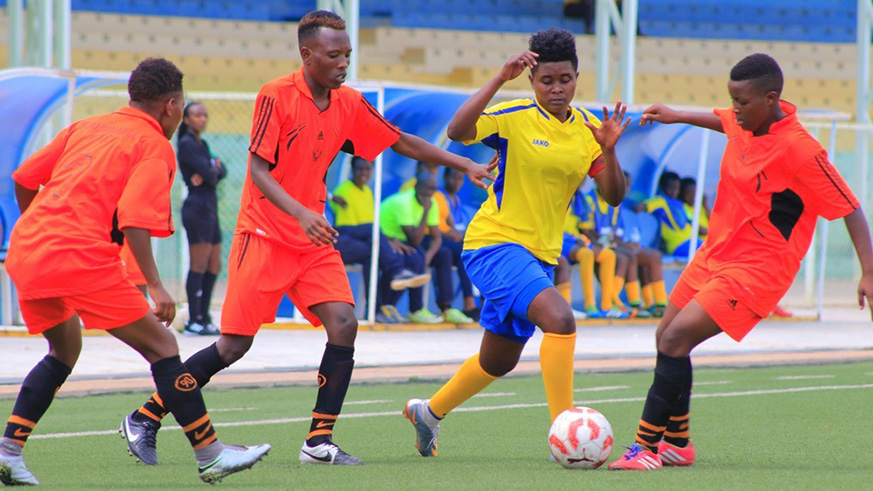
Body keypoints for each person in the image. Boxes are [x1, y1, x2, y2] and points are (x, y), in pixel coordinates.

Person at [119, 10, 495, 468]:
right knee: (233, 347)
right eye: (334, 55)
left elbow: (400, 142)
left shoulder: (349, 103)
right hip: (263, 235)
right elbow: (258, 172)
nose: (343, 63)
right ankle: (147, 414)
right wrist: (301, 213)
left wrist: (466, 164)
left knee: (345, 324)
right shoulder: (275, 95)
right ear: (307, 54)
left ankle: (319, 442)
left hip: (312, 241)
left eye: (348, 55)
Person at [0, 58, 270, 486]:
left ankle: (9, 451)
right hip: (78, 256)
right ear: (170, 105)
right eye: (182, 106)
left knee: (64, 349)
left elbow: (25, 177)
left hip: (28, 248)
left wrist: (39, 226)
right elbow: (134, 219)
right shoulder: (153, 145)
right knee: (163, 345)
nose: (181, 114)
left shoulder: (86, 126)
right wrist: (158, 286)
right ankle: (210, 454)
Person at [608, 53, 873, 470]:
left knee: (676, 341)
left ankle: (644, 448)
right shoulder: (746, 117)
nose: (734, 109)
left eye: (742, 102)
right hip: (715, 253)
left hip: (758, 270)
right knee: (665, 336)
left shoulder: (802, 151)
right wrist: (676, 116)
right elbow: (724, 121)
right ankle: (678, 444)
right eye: (731, 99)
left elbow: (850, 208)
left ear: (770, 99)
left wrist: (869, 272)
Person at [403, 27, 629, 458]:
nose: (556, 88)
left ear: (577, 76)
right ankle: (567, 437)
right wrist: (497, 80)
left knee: (499, 361)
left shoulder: (589, 130)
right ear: (531, 80)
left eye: (565, 79)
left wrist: (611, 151)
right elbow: (456, 130)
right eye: (546, 81)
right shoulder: (515, 117)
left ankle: (428, 413)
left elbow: (614, 195)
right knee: (561, 320)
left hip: (539, 256)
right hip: (494, 244)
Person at [329, 156, 431, 323]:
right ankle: (397, 271)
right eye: (360, 169)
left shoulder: (368, 192)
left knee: (375, 255)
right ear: (352, 170)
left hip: (364, 238)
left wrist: (388, 240)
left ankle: (376, 309)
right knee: (375, 238)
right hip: (344, 235)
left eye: (367, 169)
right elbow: (365, 226)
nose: (364, 173)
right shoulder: (343, 190)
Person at [380, 173, 471, 324]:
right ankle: (408, 309)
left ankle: (446, 307)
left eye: (432, 190)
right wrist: (426, 212)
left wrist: (428, 257)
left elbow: (436, 238)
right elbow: (414, 240)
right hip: (385, 238)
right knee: (416, 258)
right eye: (426, 189)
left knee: (444, 254)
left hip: (405, 239)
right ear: (416, 188)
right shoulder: (405, 203)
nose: (429, 194)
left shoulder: (431, 201)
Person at [178, 101, 226, 336]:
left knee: (214, 264)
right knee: (199, 264)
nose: (202, 119)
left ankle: (205, 316)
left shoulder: (202, 144)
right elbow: (212, 174)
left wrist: (212, 170)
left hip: (210, 207)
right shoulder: (187, 144)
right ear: (186, 119)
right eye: (197, 115)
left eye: (205, 115)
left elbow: (220, 171)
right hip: (197, 208)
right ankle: (193, 320)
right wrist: (211, 170)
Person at [433, 167, 479, 320]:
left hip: (451, 240)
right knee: (461, 251)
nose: (457, 182)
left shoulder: (456, 200)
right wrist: (452, 234)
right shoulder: (438, 195)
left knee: (471, 252)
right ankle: (467, 302)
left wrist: (458, 234)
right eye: (454, 177)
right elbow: (434, 225)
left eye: (460, 179)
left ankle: (476, 301)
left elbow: (452, 224)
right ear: (445, 177)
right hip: (437, 238)